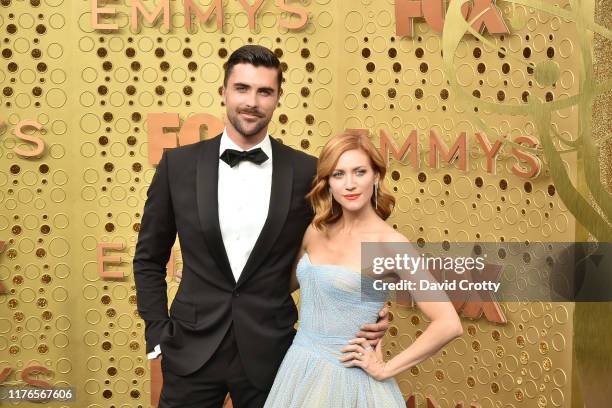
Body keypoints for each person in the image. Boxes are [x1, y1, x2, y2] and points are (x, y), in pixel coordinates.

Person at [133, 45, 389, 408]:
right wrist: (157, 331)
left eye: (264, 91)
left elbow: (349, 238)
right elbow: (148, 258)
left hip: (274, 354)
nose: (252, 102)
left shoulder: (307, 172)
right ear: (224, 92)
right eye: (242, 88)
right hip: (190, 349)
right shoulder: (178, 165)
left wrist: (371, 304)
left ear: (278, 98)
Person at [263, 131, 464, 407]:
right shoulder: (315, 230)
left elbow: (449, 323)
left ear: (376, 177)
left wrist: (386, 368)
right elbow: (277, 289)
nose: (350, 184)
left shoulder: (389, 244)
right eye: (338, 174)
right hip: (299, 369)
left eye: (359, 172)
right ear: (328, 183)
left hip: (350, 380)